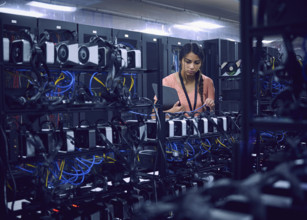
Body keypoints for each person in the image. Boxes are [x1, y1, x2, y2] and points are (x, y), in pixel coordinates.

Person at [157, 43, 215, 114]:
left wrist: (210, 107)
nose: (192, 67)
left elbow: (212, 113)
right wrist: (170, 112)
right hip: (175, 124)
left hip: (199, 124)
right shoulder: (167, 82)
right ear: (180, 61)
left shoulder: (208, 82)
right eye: (188, 62)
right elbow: (154, 115)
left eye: (196, 63)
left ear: (201, 63)